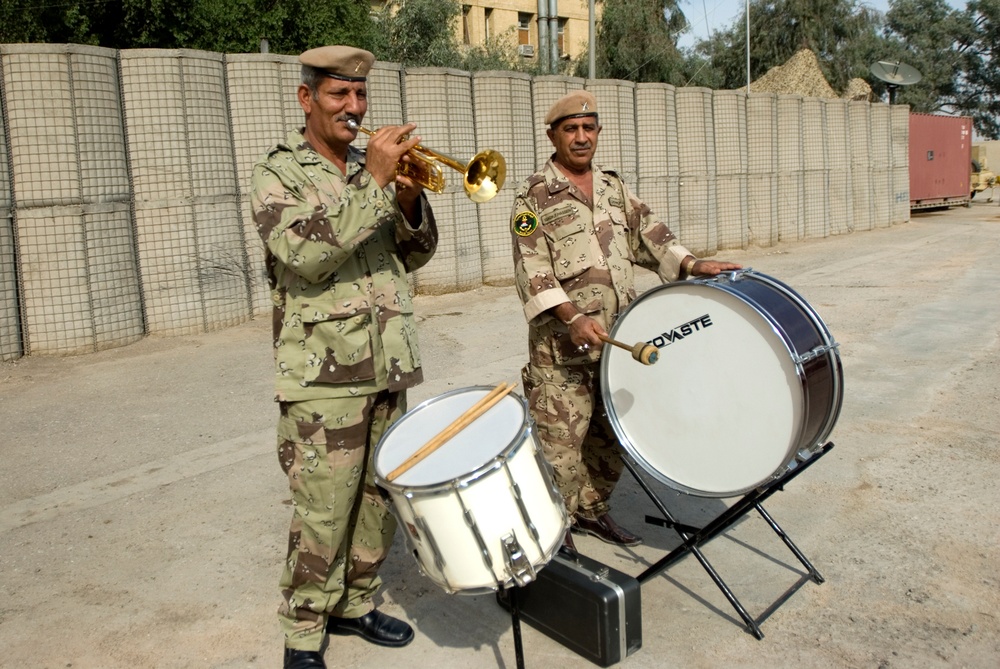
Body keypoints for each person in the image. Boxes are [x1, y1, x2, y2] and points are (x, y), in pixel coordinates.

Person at [250, 45, 438, 669]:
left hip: (388, 361)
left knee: (378, 502)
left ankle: (356, 603)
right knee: (323, 511)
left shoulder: (369, 169)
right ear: (308, 99)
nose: (353, 107)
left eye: (360, 95)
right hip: (323, 373)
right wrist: (378, 182)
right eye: (339, 95)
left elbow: (413, 255)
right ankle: (304, 631)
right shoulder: (279, 174)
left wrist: (408, 201)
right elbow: (305, 254)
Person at [510, 90, 741, 551]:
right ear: (552, 135)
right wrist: (570, 314)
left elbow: (651, 236)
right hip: (561, 349)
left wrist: (693, 264)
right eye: (570, 129)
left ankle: (593, 512)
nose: (581, 137)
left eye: (589, 128)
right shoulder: (532, 196)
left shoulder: (615, 188)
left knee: (611, 436)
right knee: (560, 446)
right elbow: (531, 269)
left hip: (618, 341)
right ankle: (556, 532)